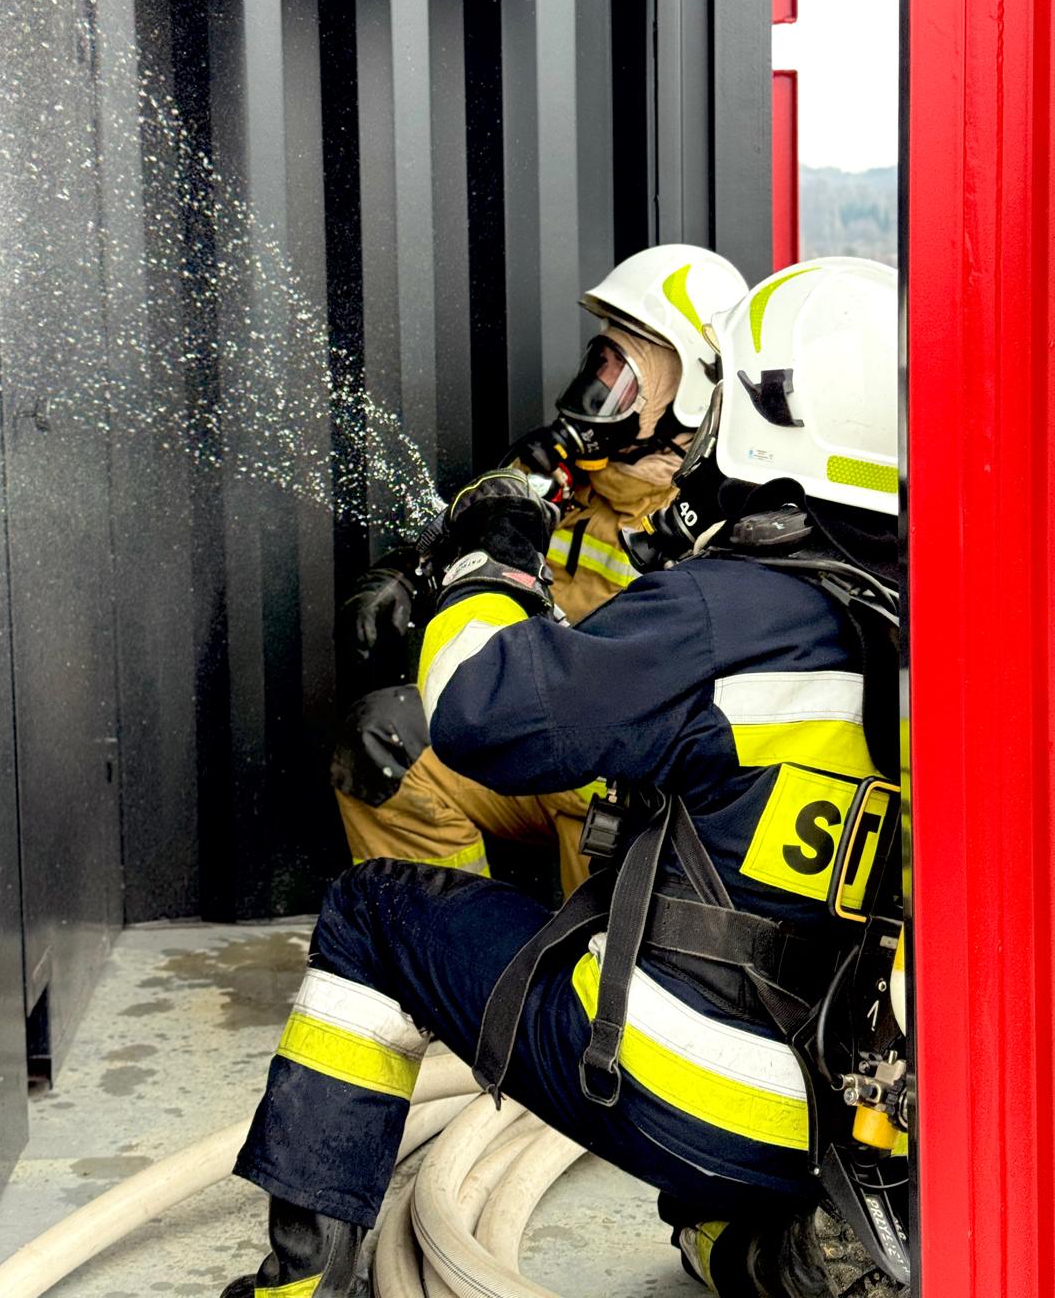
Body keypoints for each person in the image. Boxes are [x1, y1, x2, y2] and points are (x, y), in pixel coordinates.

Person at [219, 257, 906, 1298]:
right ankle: (773, 1256)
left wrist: (491, 567)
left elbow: (480, 709)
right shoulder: (921, 610)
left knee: (370, 915)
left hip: (687, 1090)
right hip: (844, 1115)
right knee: (711, 1206)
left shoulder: (727, 606)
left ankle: (298, 1289)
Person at [331, 244, 749, 896]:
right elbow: (475, 537)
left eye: (621, 375)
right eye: (599, 362)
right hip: (539, 740)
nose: (596, 391)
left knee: (617, 865)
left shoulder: (715, 518)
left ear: (693, 394)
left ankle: (599, 951)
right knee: (383, 747)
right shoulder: (562, 480)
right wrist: (408, 572)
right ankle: (449, 941)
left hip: (635, 778)